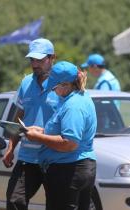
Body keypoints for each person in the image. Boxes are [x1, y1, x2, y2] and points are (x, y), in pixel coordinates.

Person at [25, 61, 97, 210]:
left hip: (69, 170)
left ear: (65, 85)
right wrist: (41, 131)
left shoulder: (73, 106)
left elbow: (69, 143)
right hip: (79, 167)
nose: (53, 91)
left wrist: (37, 137)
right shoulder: (78, 97)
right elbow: (62, 130)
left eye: (54, 87)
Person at [2, 38, 58, 210]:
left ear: (51, 58)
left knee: (56, 205)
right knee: (14, 200)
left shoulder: (62, 84)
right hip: (28, 157)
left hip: (55, 158)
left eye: (40, 60)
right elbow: (20, 115)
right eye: (32, 60)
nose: (35, 64)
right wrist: (11, 147)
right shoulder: (26, 83)